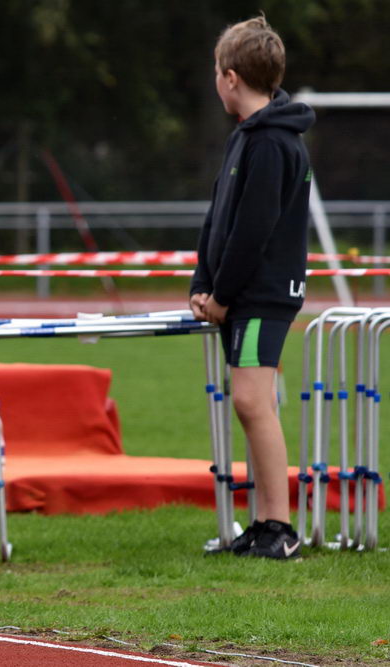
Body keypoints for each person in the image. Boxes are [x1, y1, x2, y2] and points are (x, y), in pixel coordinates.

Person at [189, 15, 314, 560]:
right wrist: (203, 284)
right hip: (239, 294)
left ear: (231, 77)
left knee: (251, 402)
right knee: (253, 404)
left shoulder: (272, 144)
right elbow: (218, 217)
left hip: (262, 294)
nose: (215, 80)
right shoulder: (246, 139)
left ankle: (280, 528)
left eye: (217, 71)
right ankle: (264, 523)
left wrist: (222, 294)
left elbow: (253, 231)